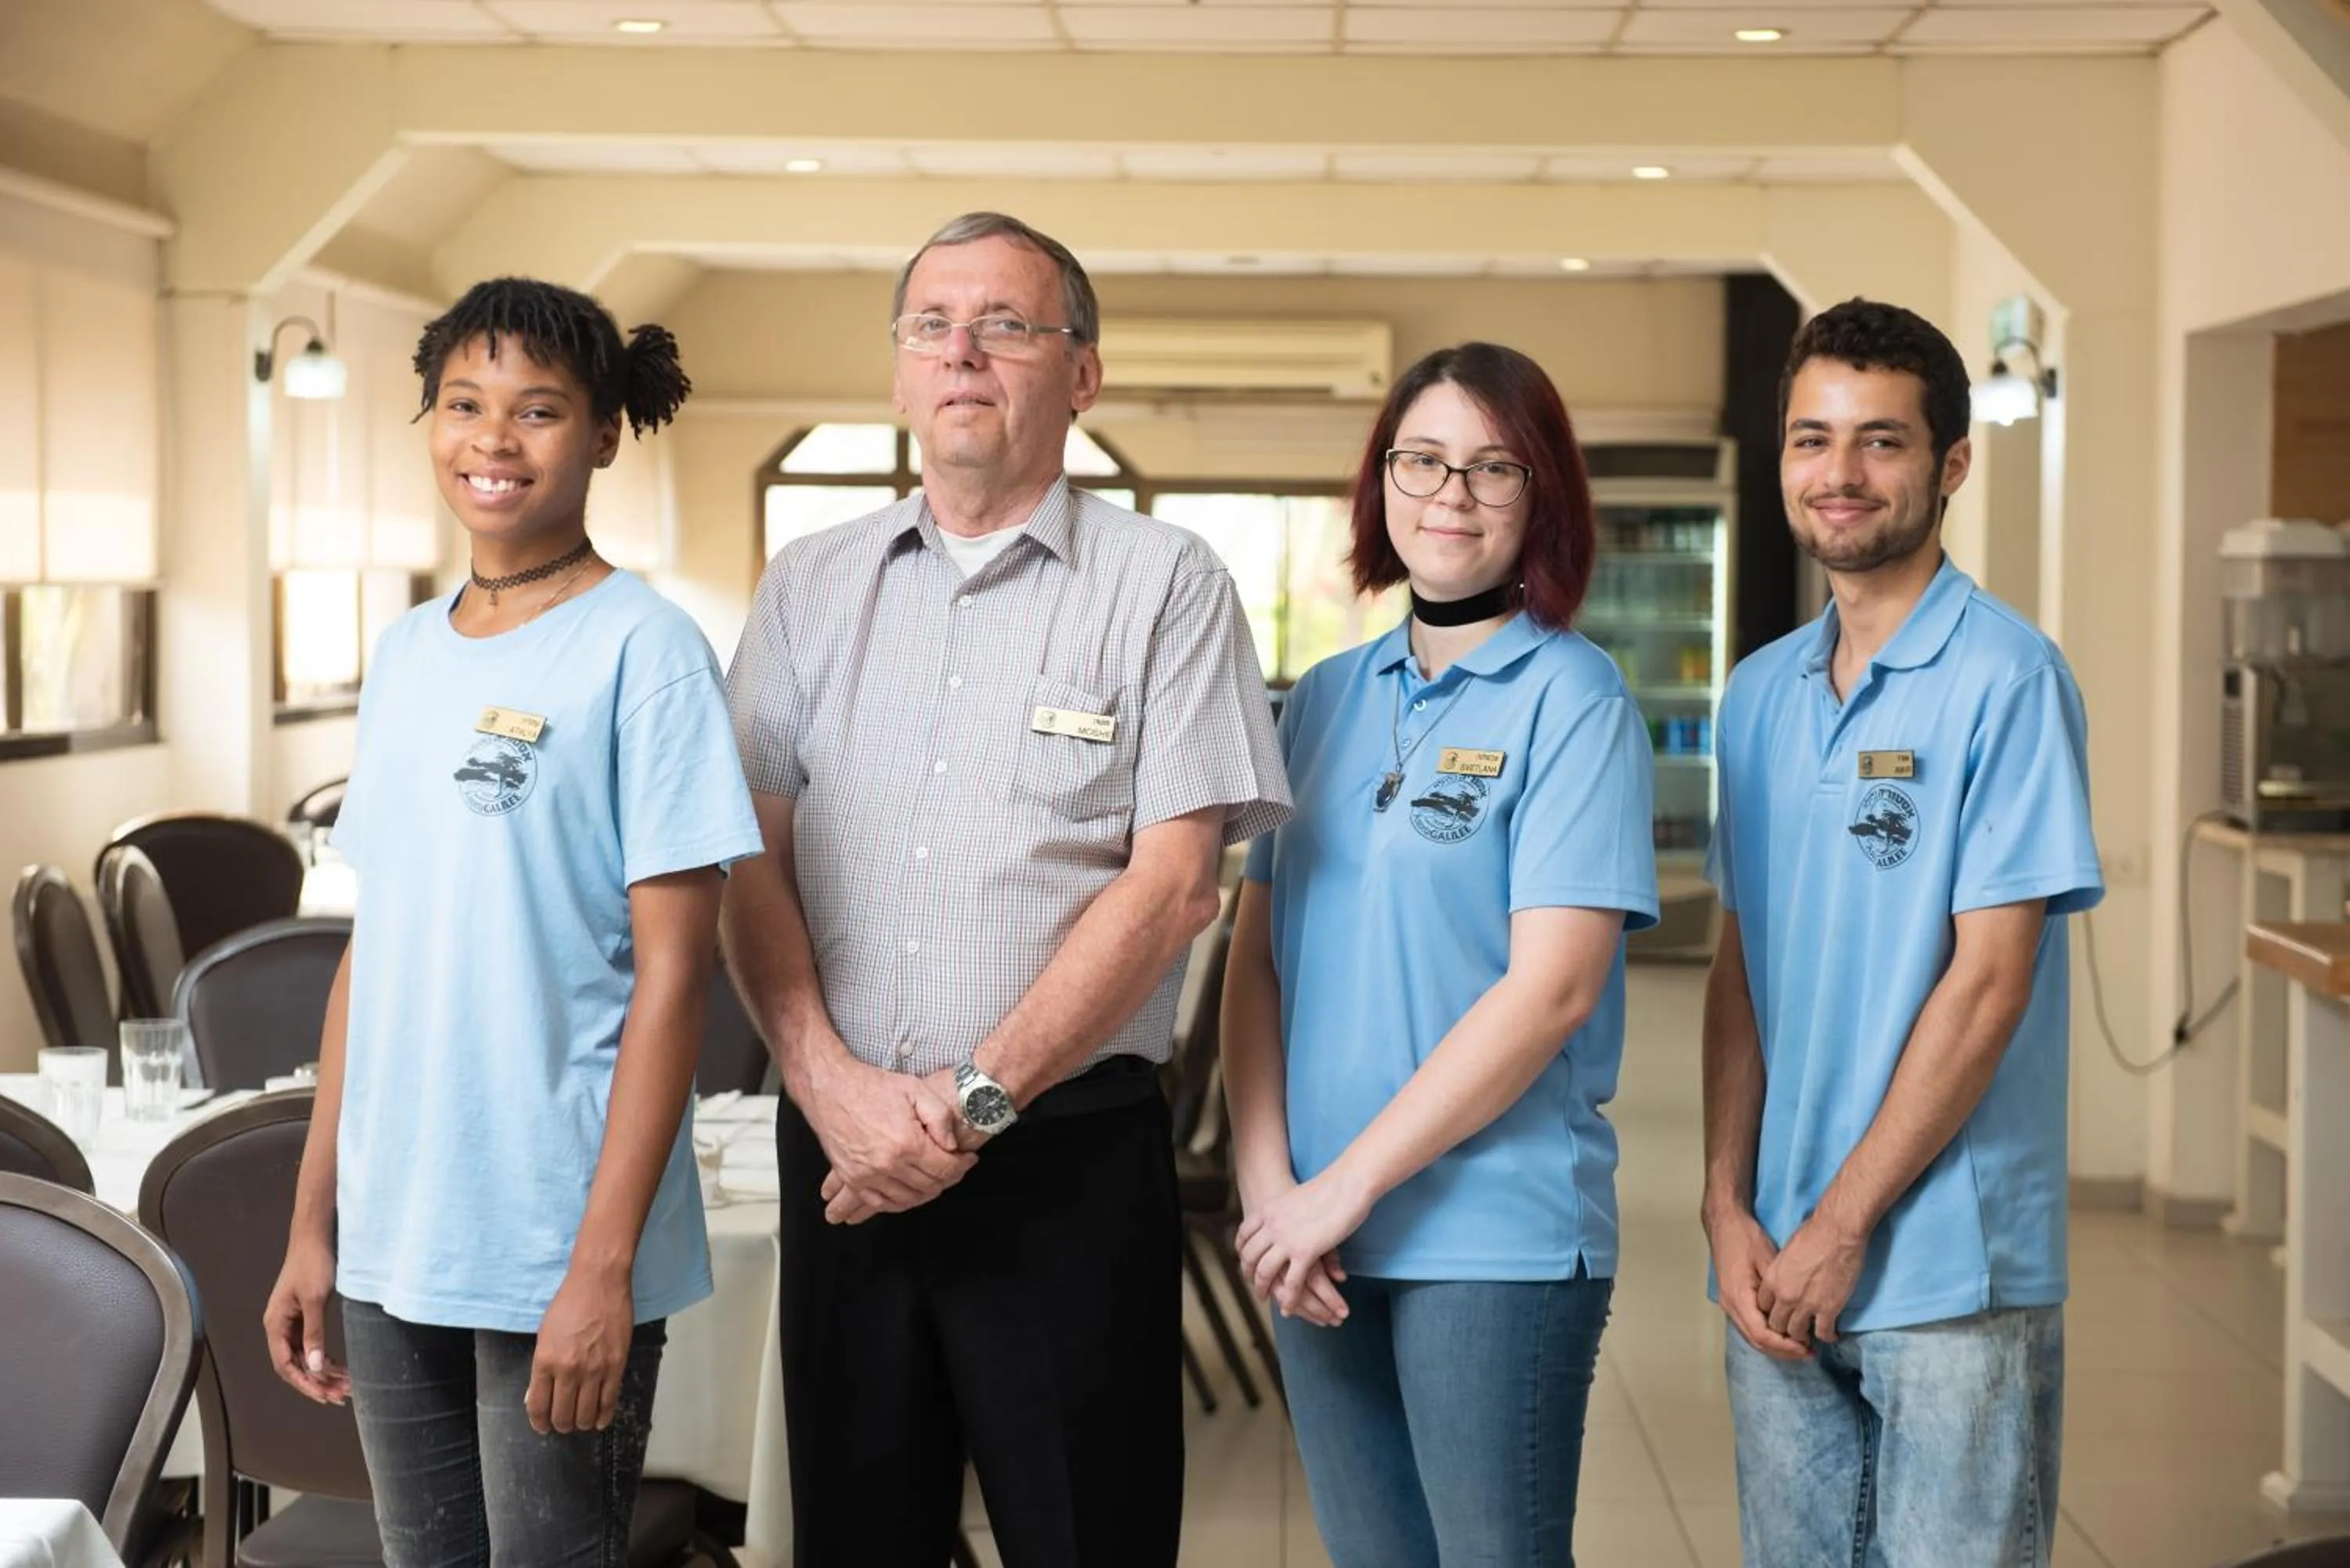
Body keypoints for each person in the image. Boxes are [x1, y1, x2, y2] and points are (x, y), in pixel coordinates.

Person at [720, 211, 1291, 1568]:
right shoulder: (807, 587)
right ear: (900, 372)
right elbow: (745, 857)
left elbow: (1173, 890)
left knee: (1087, 1538)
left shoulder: (1167, 586)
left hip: (1063, 1163)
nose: (963, 350)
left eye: (1007, 325)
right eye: (933, 325)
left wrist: (970, 1106)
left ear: (1081, 374)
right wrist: (831, 1088)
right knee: (856, 1542)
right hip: (844, 1156)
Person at [264, 277, 764, 1566]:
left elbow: (676, 980)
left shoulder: (646, 651)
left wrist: (603, 1266)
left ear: (603, 434)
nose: (494, 438)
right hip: (395, 1230)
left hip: (554, 1229)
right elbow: (373, 952)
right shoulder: (407, 652)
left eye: (537, 410)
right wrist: (315, 1222)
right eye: (465, 404)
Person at [1221, 341, 1660, 1568]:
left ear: (1541, 493)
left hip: (1490, 1234)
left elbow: (1553, 988)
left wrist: (1344, 1187)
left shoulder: (1575, 700)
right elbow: (1256, 965)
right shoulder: (1324, 697)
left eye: (1491, 466)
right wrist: (1270, 1188)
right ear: (1382, 483)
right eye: (1421, 460)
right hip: (1316, 1232)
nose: (1450, 495)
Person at [1701, 298, 2103, 1567]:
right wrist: (1725, 1201)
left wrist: (1843, 1225)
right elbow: (1741, 965)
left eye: (1882, 440)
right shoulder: (1757, 693)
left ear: (1952, 464)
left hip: (1944, 1268)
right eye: (1812, 438)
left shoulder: (2008, 680)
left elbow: (1990, 983)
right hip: (1775, 1255)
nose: (1841, 472)